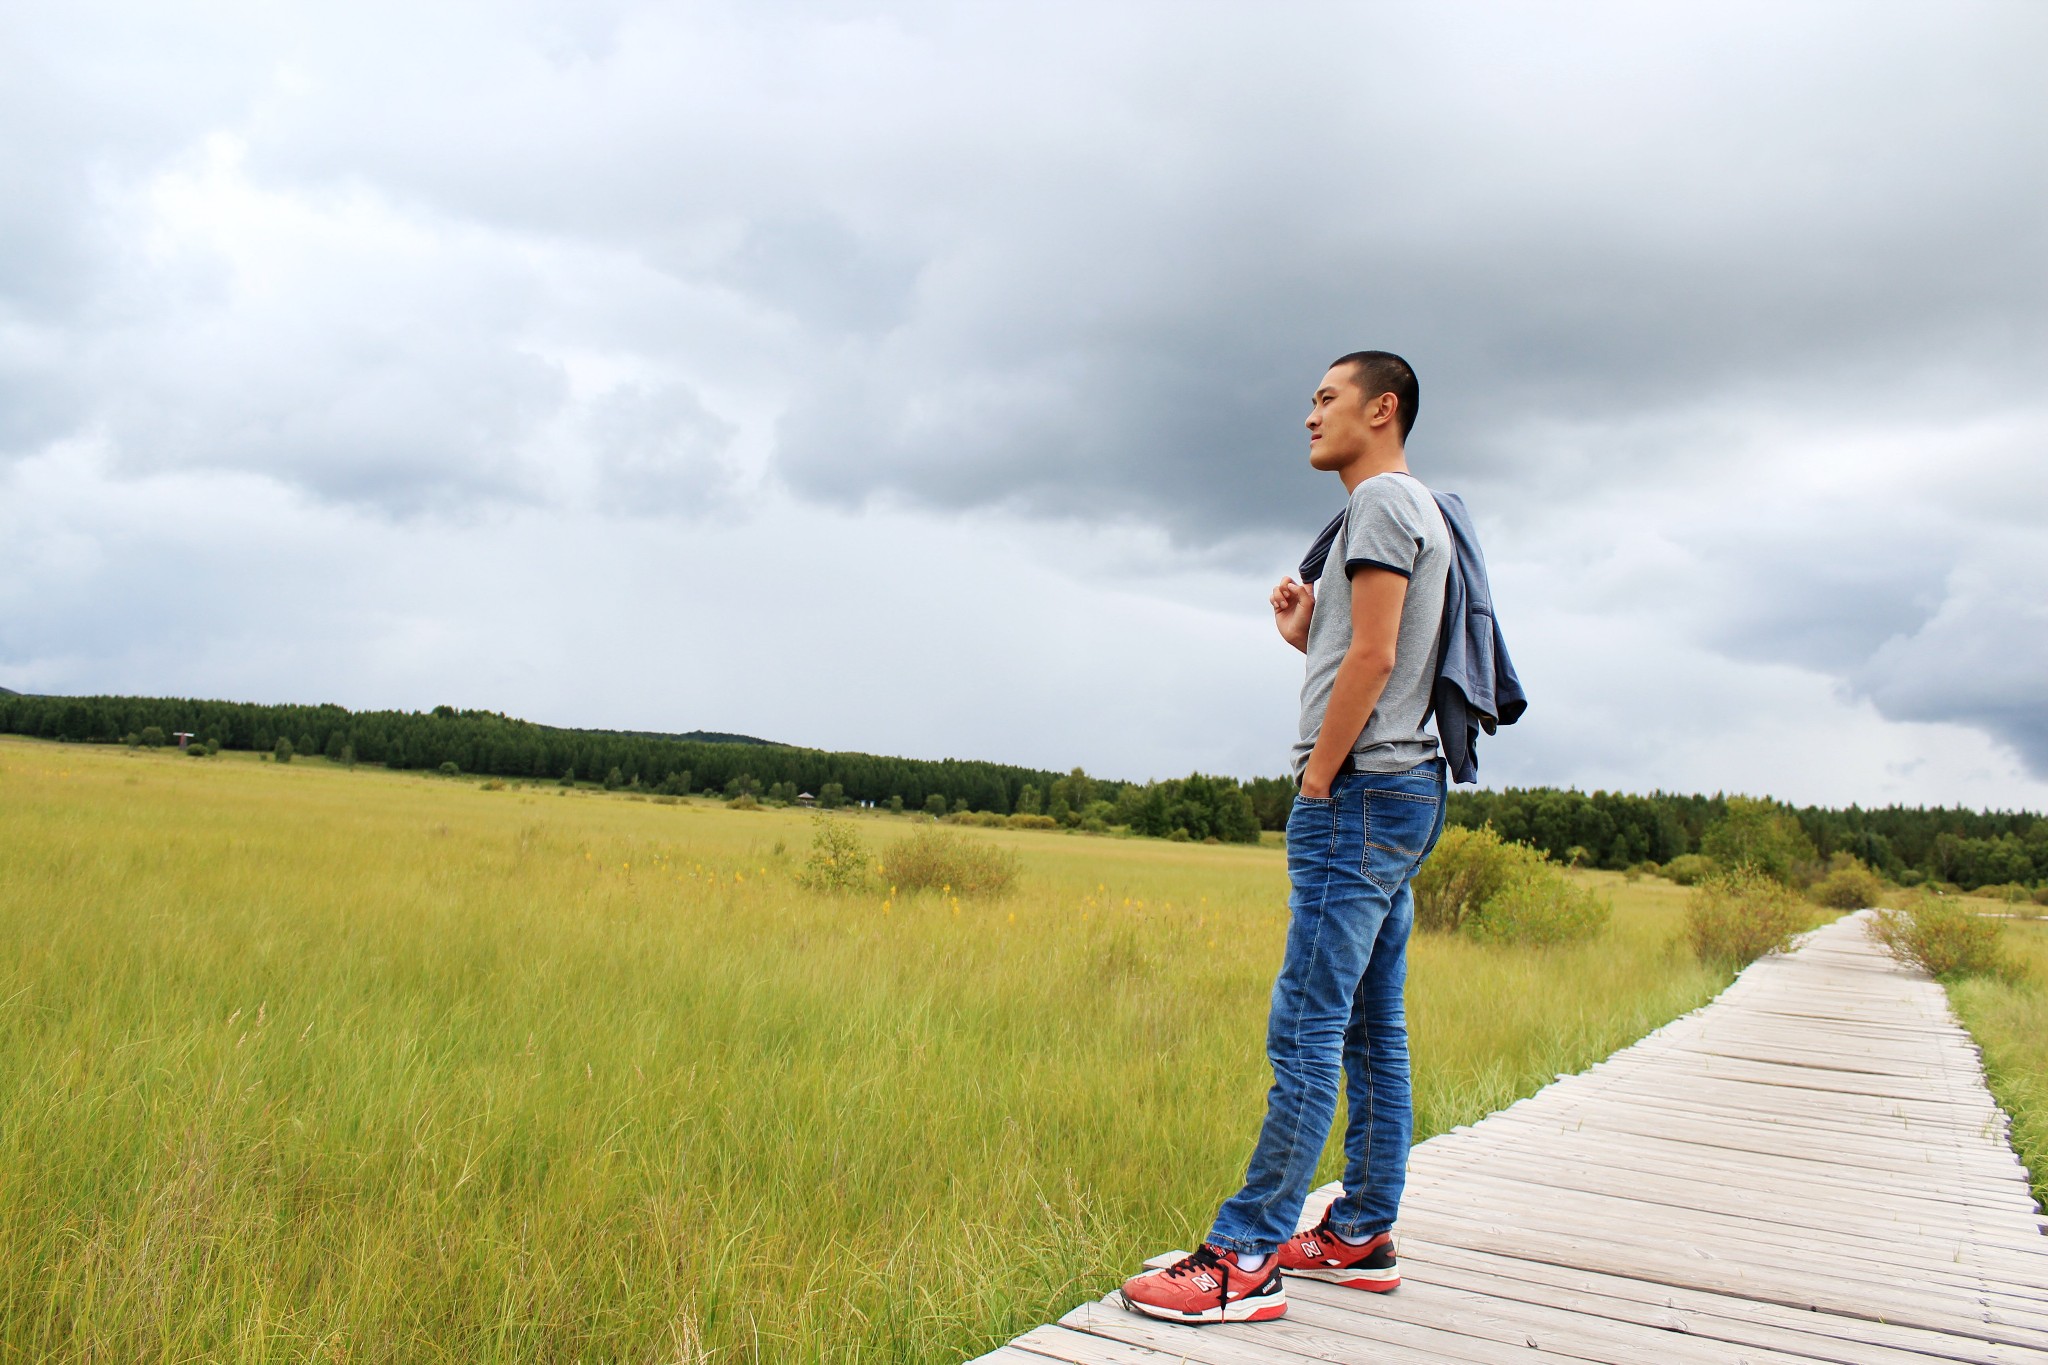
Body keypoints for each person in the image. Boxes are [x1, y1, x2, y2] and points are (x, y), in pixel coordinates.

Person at [1119, 351, 1450, 1324]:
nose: (1308, 416)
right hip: (1400, 788)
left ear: (1379, 408)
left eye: (1325, 399)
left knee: (1303, 1029)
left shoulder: (1382, 503)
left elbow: (1383, 656)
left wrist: (1315, 777)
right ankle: (1357, 1233)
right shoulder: (1408, 508)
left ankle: (1240, 1256)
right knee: (1365, 1027)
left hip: (1356, 795)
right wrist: (1308, 636)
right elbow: (1378, 658)